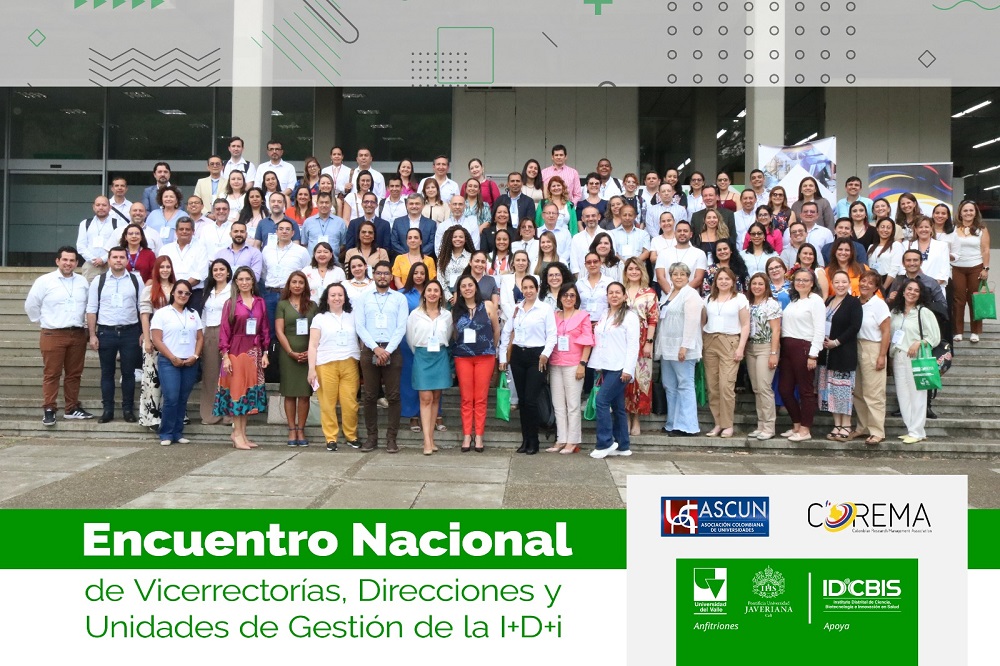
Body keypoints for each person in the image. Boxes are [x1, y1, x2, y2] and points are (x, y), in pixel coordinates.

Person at [24, 246, 93, 425]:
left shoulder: (82, 282)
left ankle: (72, 408)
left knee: (74, 374)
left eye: (72, 260)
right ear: (57, 261)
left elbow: (89, 306)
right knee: (52, 373)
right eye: (65, 260)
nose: (68, 263)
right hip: (53, 333)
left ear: (76, 263)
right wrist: (43, 321)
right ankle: (49, 408)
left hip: (77, 333)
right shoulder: (45, 281)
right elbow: (31, 304)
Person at [498, 274, 557, 455]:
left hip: (536, 356)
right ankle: (525, 440)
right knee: (522, 401)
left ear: (537, 289)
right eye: (525, 288)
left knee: (531, 400)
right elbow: (506, 332)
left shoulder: (545, 309)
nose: (528, 291)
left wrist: (545, 354)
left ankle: (534, 441)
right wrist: (503, 357)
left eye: (531, 287)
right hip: (518, 355)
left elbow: (552, 335)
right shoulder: (517, 308)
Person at [356, 261, 409, 452]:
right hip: (370, 349)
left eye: (386, 273)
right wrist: (375, 348)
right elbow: (359, 326)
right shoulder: (363, 297)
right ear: (373, 275)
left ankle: (391, 439)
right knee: (370, 396)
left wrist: (387, 350)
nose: (382, 277)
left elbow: (401, 326)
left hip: (392, 349)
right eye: (379, 273)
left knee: (393, 395)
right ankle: (371, 437)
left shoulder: (399, 298)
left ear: (391, 276)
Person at [215, 266, 270, 449]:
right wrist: (225, 356)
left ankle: (243, 434)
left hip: (254, 352)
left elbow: (264, 329)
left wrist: (265, 352)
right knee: (237, 394)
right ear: (236, 282)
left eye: (248, 279)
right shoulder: (230, 303)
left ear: (253, 281)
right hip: (236, 351)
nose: (245, 282)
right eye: (241, 279)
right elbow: (224, 331)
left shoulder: (260, 302)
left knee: (247, 395)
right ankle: (236, 433)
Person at [86, 247, 142, 423]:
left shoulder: (136, 280)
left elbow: (142, 308)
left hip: (130, 332)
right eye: (115, 257)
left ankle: (128, 409)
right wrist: (92, 335)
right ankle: (108, 410)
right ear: (109, 260)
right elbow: (91, 309)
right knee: (107, 373)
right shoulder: (99, 281)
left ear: (127, 260)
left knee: (129, 373)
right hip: (106, 332)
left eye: (122, 257)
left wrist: (143, 333)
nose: (118, 260)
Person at [588, 282, 640, 458]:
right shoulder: (605, 314)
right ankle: (623, 445)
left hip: (620, 367)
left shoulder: (630, 317)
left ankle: (605, 443)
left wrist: (628, 369)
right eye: (611, 293)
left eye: (618, 292)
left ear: (624, 296)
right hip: (606, 365)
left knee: (601, 400)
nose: (614, 295)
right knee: (618, 407)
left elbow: (633, 345)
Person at [307, 283, 361, 451]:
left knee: (350, 403)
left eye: (340, 295)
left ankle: (351, 435)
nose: (337, 298)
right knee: (327, 404)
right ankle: (331, 438)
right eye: (333, 295)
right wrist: (311, 369)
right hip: (326, 364)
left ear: (345, 298)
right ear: (327, 298)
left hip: (349, 362)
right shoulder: (319, 318)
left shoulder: (353, 316)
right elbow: (313, 345)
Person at [150, 281, 204, 446]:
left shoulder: (193, 314)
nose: (183, 296)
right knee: (171, 398)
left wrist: (195, 356)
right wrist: (172, 357)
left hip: (189, 362)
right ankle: (166, 433)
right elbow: (156, 339)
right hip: (169, 361)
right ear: (173, 293)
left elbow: (200, 338)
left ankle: (178, 432)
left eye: (187, 293)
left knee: (182, 398)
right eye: (180, 292)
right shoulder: (162, 313)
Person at [889, 279, 941, 444]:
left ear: (920, 294)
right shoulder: (895, 313)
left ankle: (918, 431)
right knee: (903, 395)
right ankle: (911, 429)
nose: (912, 292)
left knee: (917, 395)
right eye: (909, 289)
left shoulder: (923, 312)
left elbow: (935, 337)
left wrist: (919, 342)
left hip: (916, 356)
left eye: (916, 290)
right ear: (903, 291)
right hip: (898, 356)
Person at [405, 279, 454, 455]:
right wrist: (421, 351)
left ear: (440, 295)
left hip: (440, 356)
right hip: (422, 356)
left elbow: (448, 335)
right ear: (424, 294)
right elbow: (410, 339)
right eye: (429, 290)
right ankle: (426, 440)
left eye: (436, 290)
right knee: (425, 397)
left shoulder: (447, 315)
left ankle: (431, 438)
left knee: (436, 397)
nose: (432, 293)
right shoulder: (415, 314)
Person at [655, 262, 704, 436]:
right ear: (670, 277)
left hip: (682, 349)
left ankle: (687, 426)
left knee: (685, 385)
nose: (678, 277)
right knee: (670, 386)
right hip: (667, 348)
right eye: (675, 274)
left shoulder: (691, 294)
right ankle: (672, 423)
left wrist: (685, 346)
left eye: (682, 274)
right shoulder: (668, 294)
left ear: (688, 277)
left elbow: (692, 322)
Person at [701, 267, 750, 438]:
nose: (723, 282)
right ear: (715, 281)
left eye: (727, 279)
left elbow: (745, 324)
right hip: (710, 341)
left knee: (726, 385)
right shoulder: (709, 299)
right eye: (720, 279)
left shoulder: (740, 299)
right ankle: (718, 423)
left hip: (730, 342)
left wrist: (741, 347)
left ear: (733, 281)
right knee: (713, 386)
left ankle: (728, 424)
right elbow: (702, 322)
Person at [779, 268, 826, 442]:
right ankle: (797, 424)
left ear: (812, 283)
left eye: (805, 280)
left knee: (806, 390)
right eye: (798, 279)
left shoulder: (816, 301)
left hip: (804, 348)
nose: (801, 283)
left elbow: (819, 329)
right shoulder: (794, 300)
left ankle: (806, 429)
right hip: (788, 347)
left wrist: (813, 355)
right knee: (784, 389)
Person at [546, 284, 594, 454]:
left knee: (572, 405)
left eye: (572, 295)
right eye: (565, 295)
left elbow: (588, 341)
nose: (568, 298)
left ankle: (573, 440)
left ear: (577, 298)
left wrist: (583, 364)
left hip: (574, 364)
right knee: (558, 404)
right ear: (560, 298)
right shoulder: (554, 316)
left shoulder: (583, 316)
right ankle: (561, 438)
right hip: (556, 363)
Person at [817, 270, 863, 440]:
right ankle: (837, 424)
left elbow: (854, 326)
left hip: (843, 352)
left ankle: (846, 425)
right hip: (827, 353)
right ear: (832, 284)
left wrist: (836, 342)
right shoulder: (828, 300)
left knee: (843, 390)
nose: (840, 285)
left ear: (849, 284)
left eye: (844, 282)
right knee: (831, 391)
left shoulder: (853, 302)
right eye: (837, 282)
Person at [275, 271, 318, 447]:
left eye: (301, 282)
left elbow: (317, 330)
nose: (297, 285)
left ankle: (301, 429)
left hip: (309, 353)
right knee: (290, 393)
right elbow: (279, 331)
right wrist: (290, 352)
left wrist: (310, 351)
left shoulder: (312, 305)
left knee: (305, 394)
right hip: (288, 354)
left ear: (305, 285)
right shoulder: (282, 305)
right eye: (294, 282)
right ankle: (292, 429)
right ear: (289, 284)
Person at [852, 270, 891, 446]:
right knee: (858, 392)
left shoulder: (879, 304)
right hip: (856, 346)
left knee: (874, 392)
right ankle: (862, 427)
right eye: (863, 281)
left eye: (870, 283)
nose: (865, 285)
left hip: (873, 347)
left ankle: (877, 431)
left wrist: (882, 355)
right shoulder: (855, 302)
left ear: (876, 287)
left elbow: (886, 332)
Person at [138, 255, 175, 429]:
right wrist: (147, 339)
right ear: (156, 270)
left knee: (172, 380)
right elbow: (145, 316)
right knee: (153, 379)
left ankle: (174, 416)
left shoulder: (177, 287)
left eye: (168, 267)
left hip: (174, 339)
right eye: (162, 267)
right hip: (155, 338)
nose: (165, 270)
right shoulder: (149, 289)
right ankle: (151, 417)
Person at [622, 257, 658, 435]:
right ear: (625, 272)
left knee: (641, 380)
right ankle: (625, 418)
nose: (634, 272)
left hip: (642, 340)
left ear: (642, 271)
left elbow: (653, 320)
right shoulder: (620, 291)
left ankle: (636, 418)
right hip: (621, 341)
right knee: (624, 380)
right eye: (630, 269)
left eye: (637, 269)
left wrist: (649, 343)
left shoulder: (649, 293)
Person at [745, 272, 783, 440]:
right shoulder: (748, 303)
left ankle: (769, 426)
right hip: (751, 347)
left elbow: (776, 330)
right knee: (756, 388)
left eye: (760, 284)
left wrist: (773, 353)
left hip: (766, 347)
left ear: (766, 286)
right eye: (754, 284)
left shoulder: (771, 304)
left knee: (764, 387)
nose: (757, 287)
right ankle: (761, 424)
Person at [951, 200, 991, 343]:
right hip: (957, 267)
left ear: (975, 213)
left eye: (971, 210)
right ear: (960, 213)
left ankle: (975, 332)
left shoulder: (982, 229)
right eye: (965, 210)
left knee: (975, 299)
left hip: (976, 267)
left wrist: (985, 268)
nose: (968, 213)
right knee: (958, 300)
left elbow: (985, 250)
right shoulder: (953, 228)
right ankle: (958, 332)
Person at [200, 259, 232, 426]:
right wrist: (201, 336)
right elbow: (204, 317)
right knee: (210, 375)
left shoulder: (233, 290)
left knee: (228, 374)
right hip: (210, 333)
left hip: (228, 333)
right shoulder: (208, 291)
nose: (218, 272)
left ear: (228, 272)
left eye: (222, 269)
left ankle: (229, 414)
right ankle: (210, 414)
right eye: (215, 270)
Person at [401, 262, 429, 433]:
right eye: (416, 273)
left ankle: (435, 413)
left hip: (428, 343)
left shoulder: (432, 291)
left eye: (422, 273)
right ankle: (412, 414)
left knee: (429, 378)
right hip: (408, 342)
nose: (419, 276)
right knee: (409, 378)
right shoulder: (402, 294)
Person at [655, 220, 707, 291]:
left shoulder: (699, 254)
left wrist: (681, 295)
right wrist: (671, 295)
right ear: (675, 234)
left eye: (685, 231)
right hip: (668, 296)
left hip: (690, 296)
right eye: (679, 231)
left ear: (691, 234)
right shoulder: (663, 253)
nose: (682, 233)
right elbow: (660, 278)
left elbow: (698, 279)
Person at [300, 191, 347, 257]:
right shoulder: (308, 222)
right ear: (317, 204)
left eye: (327, 202)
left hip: (333, 261)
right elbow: (304, 243)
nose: (324, 205)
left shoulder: (340, 223)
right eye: (321, 202)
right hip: (312, 261)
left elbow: (343, 244)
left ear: (331, 204)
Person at [390, 193, 437, 258]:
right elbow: (394, 242)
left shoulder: (431, 224)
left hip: (423, 259)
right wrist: (407, 256)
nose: (414, 206)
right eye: (411, 204)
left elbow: (432, 243)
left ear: (423, 205)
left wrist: (419, 255)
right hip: (402, 259)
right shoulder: (398, 222)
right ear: (406, 205)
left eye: (417, 204)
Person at [437, 226, 473, 305]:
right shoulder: (442, 258)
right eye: (455, 237)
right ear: (450, 239)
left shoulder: (471, 257)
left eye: (461, 237)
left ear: (465, 239)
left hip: (466, 293)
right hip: (447, 296)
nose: (458, 239)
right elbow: (440, 280)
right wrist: (450, 297)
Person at [868, 217, 903, 294]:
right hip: (872, 282)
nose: (885, 230)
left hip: (887, 283)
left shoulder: (896, 245)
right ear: (877, 229)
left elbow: (894, 269)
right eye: (882, 227)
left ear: (892, 230)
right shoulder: (871, 247)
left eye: (888, 228)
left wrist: (883, 288)